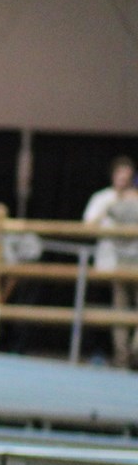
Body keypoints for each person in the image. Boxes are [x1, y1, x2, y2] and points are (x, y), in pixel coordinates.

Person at [83, 155, 138, 368]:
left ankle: (135, 352)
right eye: (119, 177)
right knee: (119, 311)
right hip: (113, 263)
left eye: (127, 178)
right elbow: (88, 225)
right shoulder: (103, 198)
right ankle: (122, 357)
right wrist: (110, 208)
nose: (122, 182)